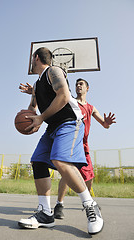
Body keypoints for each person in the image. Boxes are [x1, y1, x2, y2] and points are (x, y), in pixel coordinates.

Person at [18, 47, 104, 235]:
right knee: (38, 161)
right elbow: (32, 109)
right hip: (52, 127)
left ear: (36, 57)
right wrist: (31, 119)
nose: (31, 62)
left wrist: (41, 117)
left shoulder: (54, 71)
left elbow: (64, 96)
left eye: (32, 59)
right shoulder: (37, 84)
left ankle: (91, 206)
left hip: (69, 122)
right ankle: (45, 214)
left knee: (60, 160)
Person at [53, 78, 116, 219]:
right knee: (66, 174)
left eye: (81, 84)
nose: (78, 86)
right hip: (71, 142)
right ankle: (59, 204)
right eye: (76, 84)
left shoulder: (91, 108)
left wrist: (107, 123)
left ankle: (87, 202)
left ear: (88, 88)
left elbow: (104, 125)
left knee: (89, 177)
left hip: (84, 145)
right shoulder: (70, 101)